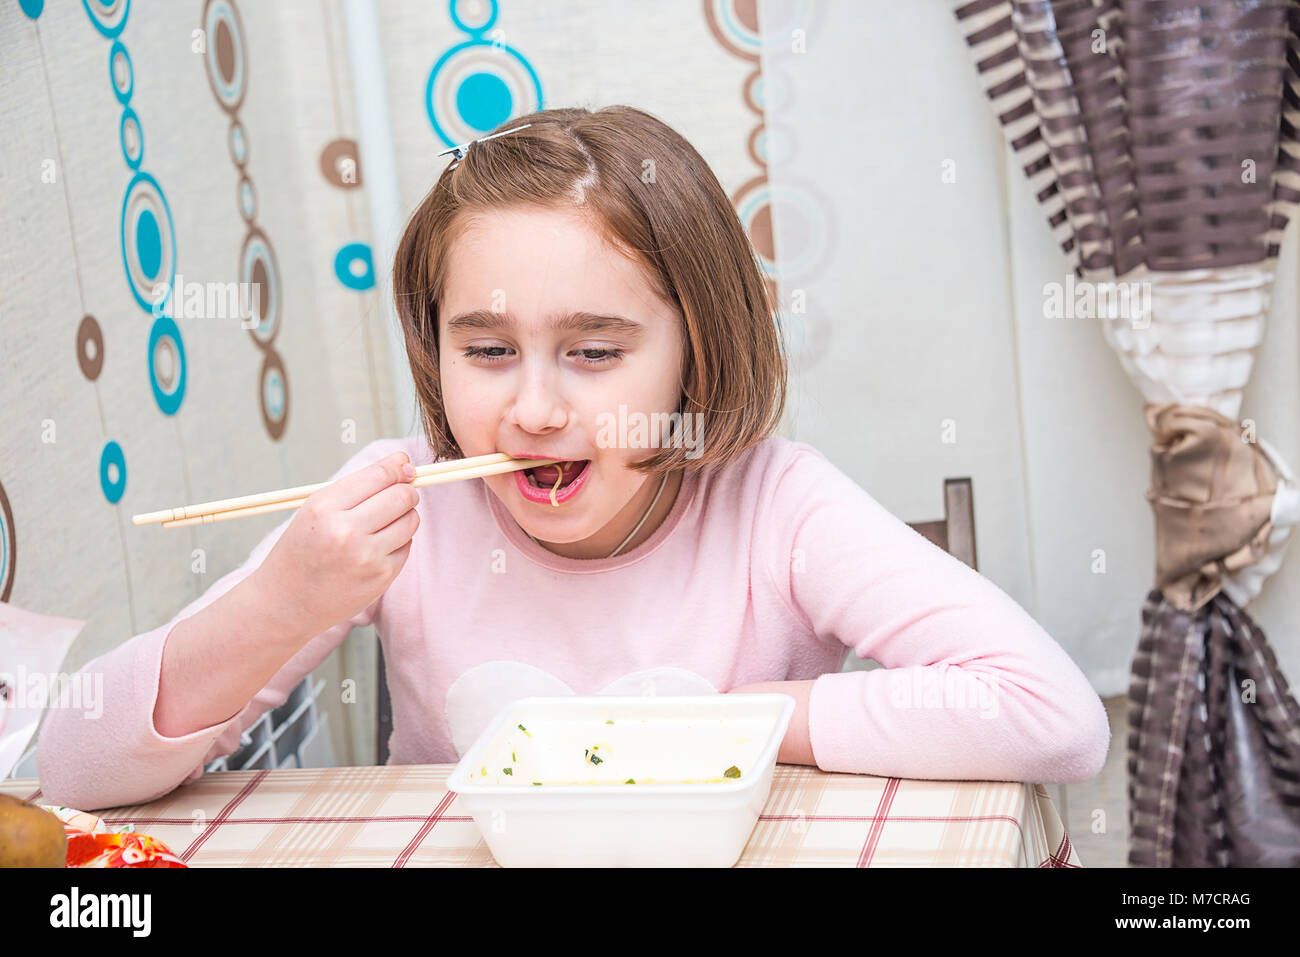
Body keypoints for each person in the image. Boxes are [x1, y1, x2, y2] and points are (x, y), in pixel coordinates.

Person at [37, 106, 1108, 810]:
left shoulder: (775, 502)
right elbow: (73, 768)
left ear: (699, 350)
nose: (534, 408)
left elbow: (1051, 720)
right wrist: (280, 601)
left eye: (595, 352)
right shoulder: (403, 506)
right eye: (487, 350)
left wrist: (721, 724)